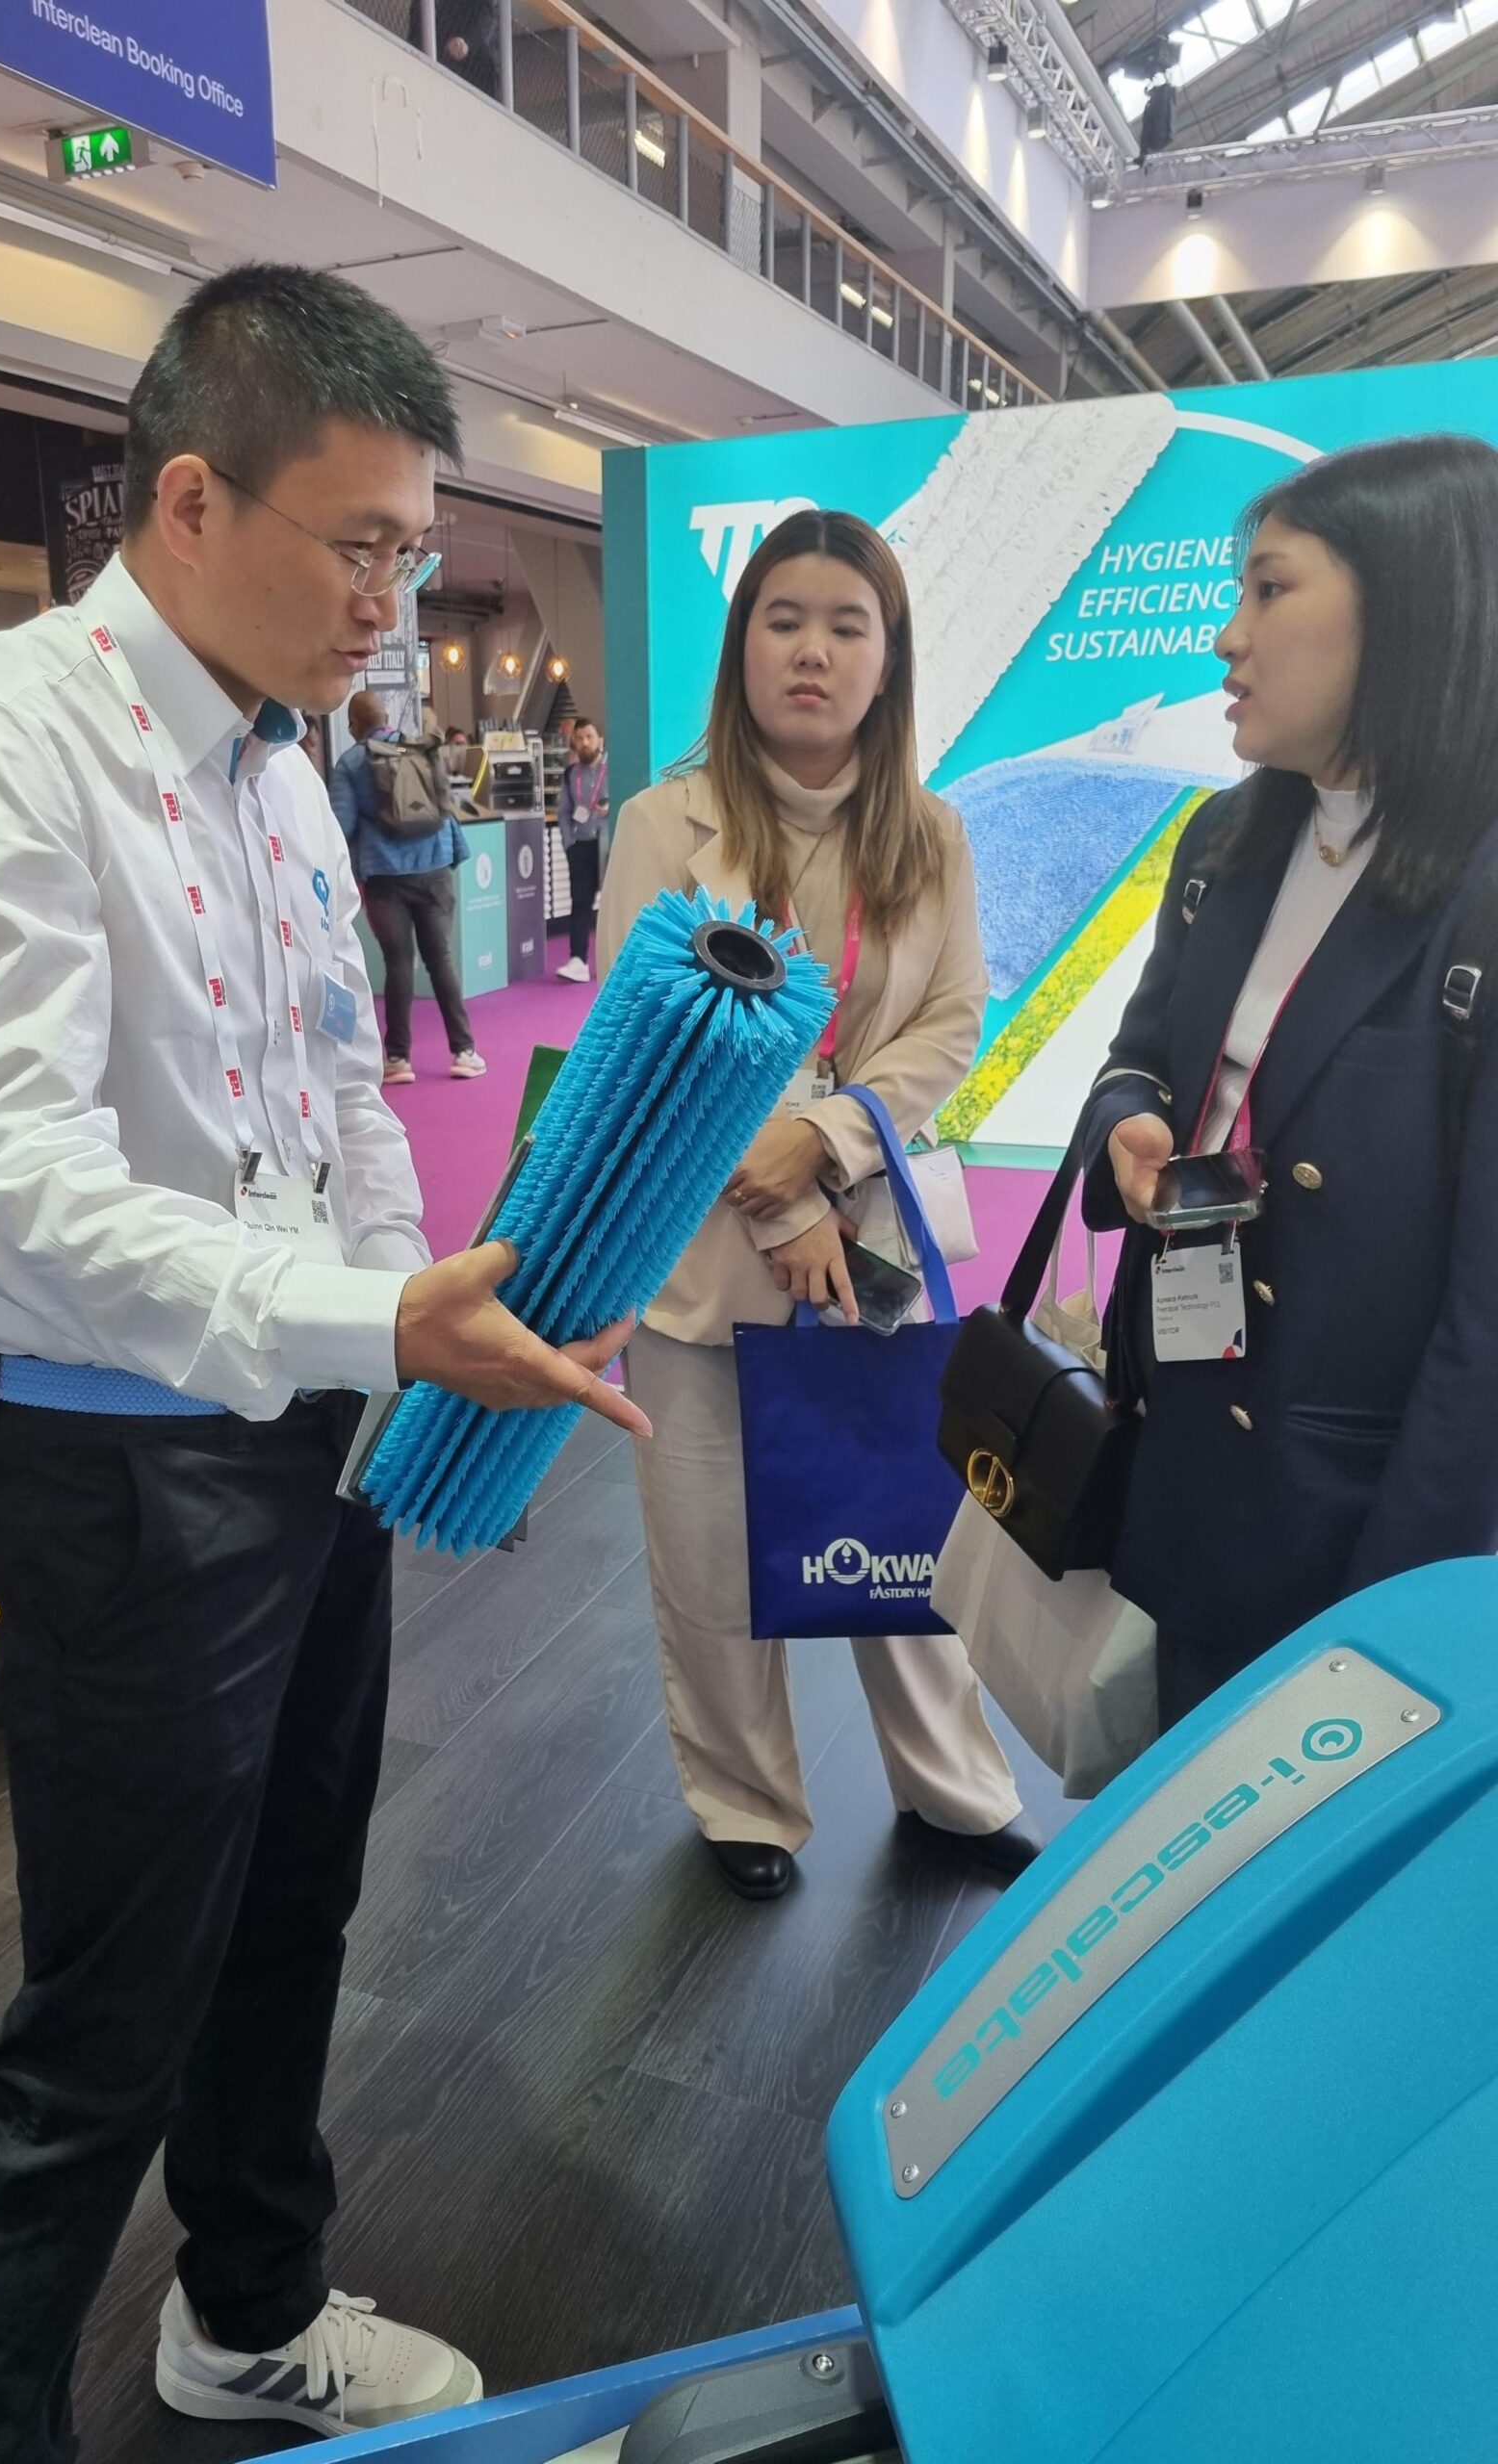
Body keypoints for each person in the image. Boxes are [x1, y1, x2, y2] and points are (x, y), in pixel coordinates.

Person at [0, 263, 648, 2464]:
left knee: (295, 1908)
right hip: (117, 1481)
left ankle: (249, 2312)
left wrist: (405, 1313)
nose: (394, 600)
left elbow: (339, 1086)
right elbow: (11, 1198)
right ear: (190, 498)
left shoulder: (286, 759)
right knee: (106, 2017)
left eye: (416, 552)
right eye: (359, 543)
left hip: (304, 1438)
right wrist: (378, 1317)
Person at [597, 508, 1033, 1903]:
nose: (814, 651)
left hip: (875, 1239)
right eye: (785, 619)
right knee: (707, 1547)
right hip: (702, 1242)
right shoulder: (664, 824)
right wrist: (778, 1207)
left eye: (850, 626)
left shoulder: (933, 832)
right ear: (743, 646)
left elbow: (952, 1021)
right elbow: (643, 1036)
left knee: (903, 1526)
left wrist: (831, 1145)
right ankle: (744, 1804)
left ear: (887, 659)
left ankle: (955, 1791)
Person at [1081, 433, 1498, 1725]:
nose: (1229, 637)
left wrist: (1399, 1622)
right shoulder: (1228, 836)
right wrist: (1129, 1129)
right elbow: (1138, 1054)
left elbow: (1486, 1328)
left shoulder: (1480, 892)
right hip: (1193, 1455)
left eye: (1270, 590)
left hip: (1368, 1524)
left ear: (1410, 610)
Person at [329, 686, 485, 1084]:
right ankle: (465, 1052)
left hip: (385, 875)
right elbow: (445, 806)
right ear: (387, 718)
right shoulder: (420, 749)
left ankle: (398, 1059)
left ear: (354, 726)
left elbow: (340, 826)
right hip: (434, 867)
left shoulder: (350, 763)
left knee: (398, 963)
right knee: (441, 959)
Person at [555, 715, 608, 983]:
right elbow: (564, 812)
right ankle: (578, 960)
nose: (585, 743)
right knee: (581, 902)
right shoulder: (571, 774)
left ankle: (615, 958)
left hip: (609, 844)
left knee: (613, 902)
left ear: (600, 740)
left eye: (589, 737)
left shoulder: (615, 770)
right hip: (582, 845)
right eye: (580, 738)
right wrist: (569, 844)